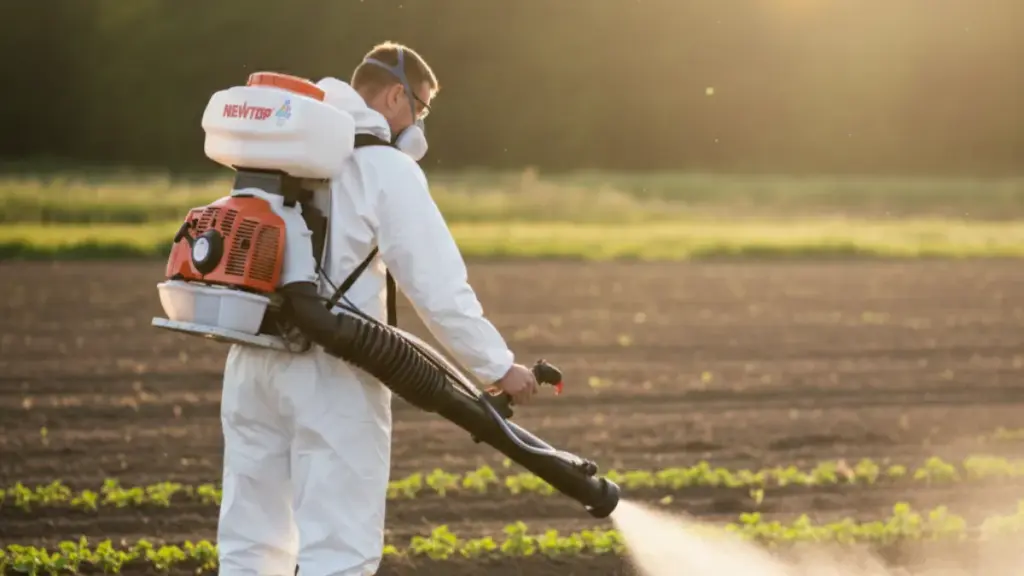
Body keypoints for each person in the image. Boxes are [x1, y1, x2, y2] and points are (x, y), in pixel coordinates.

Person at [216, 41, 540, 576]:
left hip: (253, 361)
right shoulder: (384, 167)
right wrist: (498, 368)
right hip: (332, 372)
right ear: (395, 97)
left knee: (252, 543)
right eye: (423, 106)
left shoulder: (278, 152)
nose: (420, 121)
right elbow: (438, 288)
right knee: (339, 547)